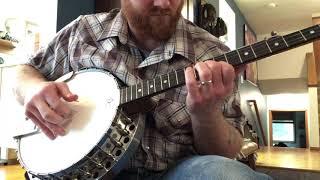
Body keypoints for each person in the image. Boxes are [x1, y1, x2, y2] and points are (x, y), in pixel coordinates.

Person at [14, 0, 272, 179]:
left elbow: (226, 153)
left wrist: (206, 114)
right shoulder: (84, 31)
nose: (163, 4)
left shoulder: (213, 54)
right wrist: (34, 87)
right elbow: (24, 71)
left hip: (176, 171)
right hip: (83, 171)